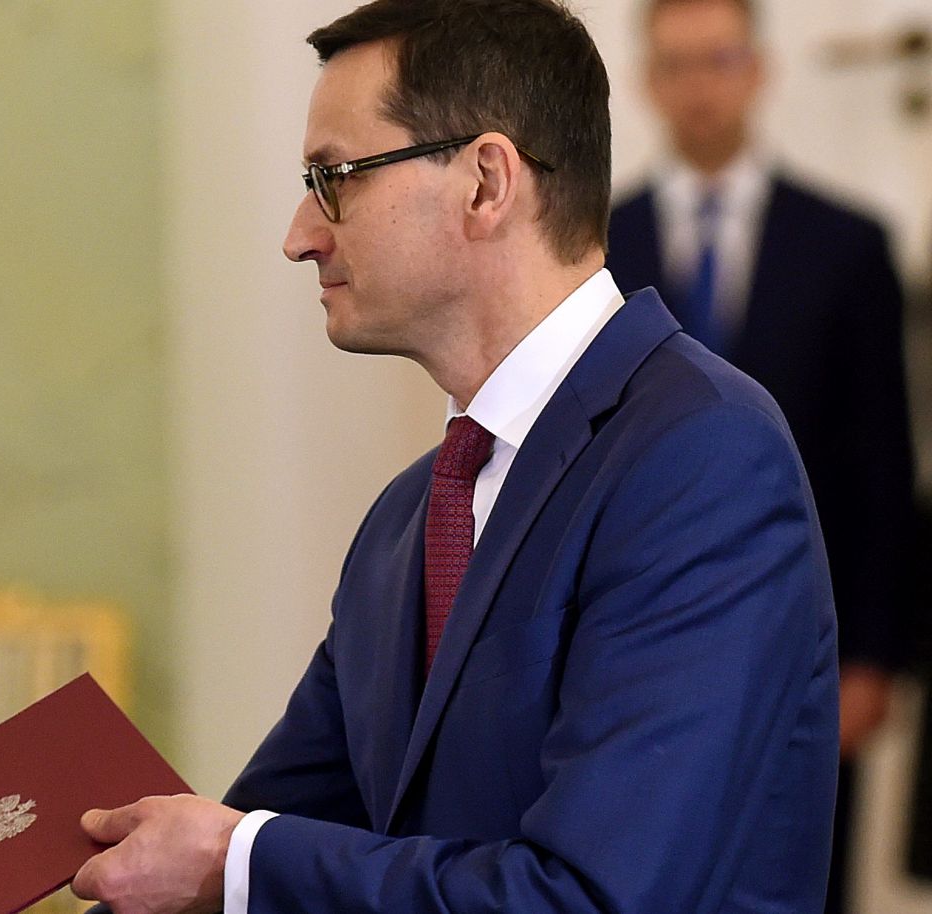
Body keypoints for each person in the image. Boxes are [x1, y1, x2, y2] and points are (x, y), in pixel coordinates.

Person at [70, 0, 838, 912]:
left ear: (485, 182)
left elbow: (591, 898)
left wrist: (236, 861)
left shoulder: (702, 456)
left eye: (334, 177)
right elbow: (256, 838)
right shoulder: (409, 517)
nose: (299, 235)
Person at [603, 4, 914, 905]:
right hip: (635, 639)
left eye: (720, 60)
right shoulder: (593, 245)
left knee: (803, 880)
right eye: (678, 65)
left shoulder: (848, 246)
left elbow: (881, 466)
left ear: (758, 70)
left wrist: (876, 656)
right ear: (649, 80)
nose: (701, 86)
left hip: (806, 633)